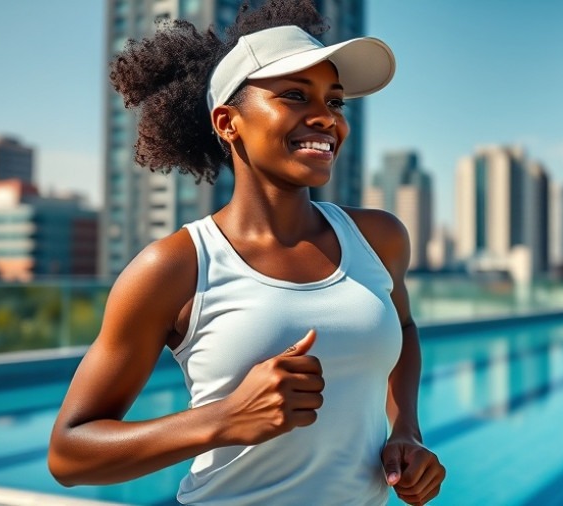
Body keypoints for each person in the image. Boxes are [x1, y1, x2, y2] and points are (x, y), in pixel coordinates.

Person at [47, 1, 445, 504]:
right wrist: (226, 418)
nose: (326, 118)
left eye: (335, 101)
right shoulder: (176, 266)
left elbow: (403, 328)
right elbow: (69, 454)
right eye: (295, 95)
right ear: (228, 121)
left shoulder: (379, 238)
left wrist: (406, 430)